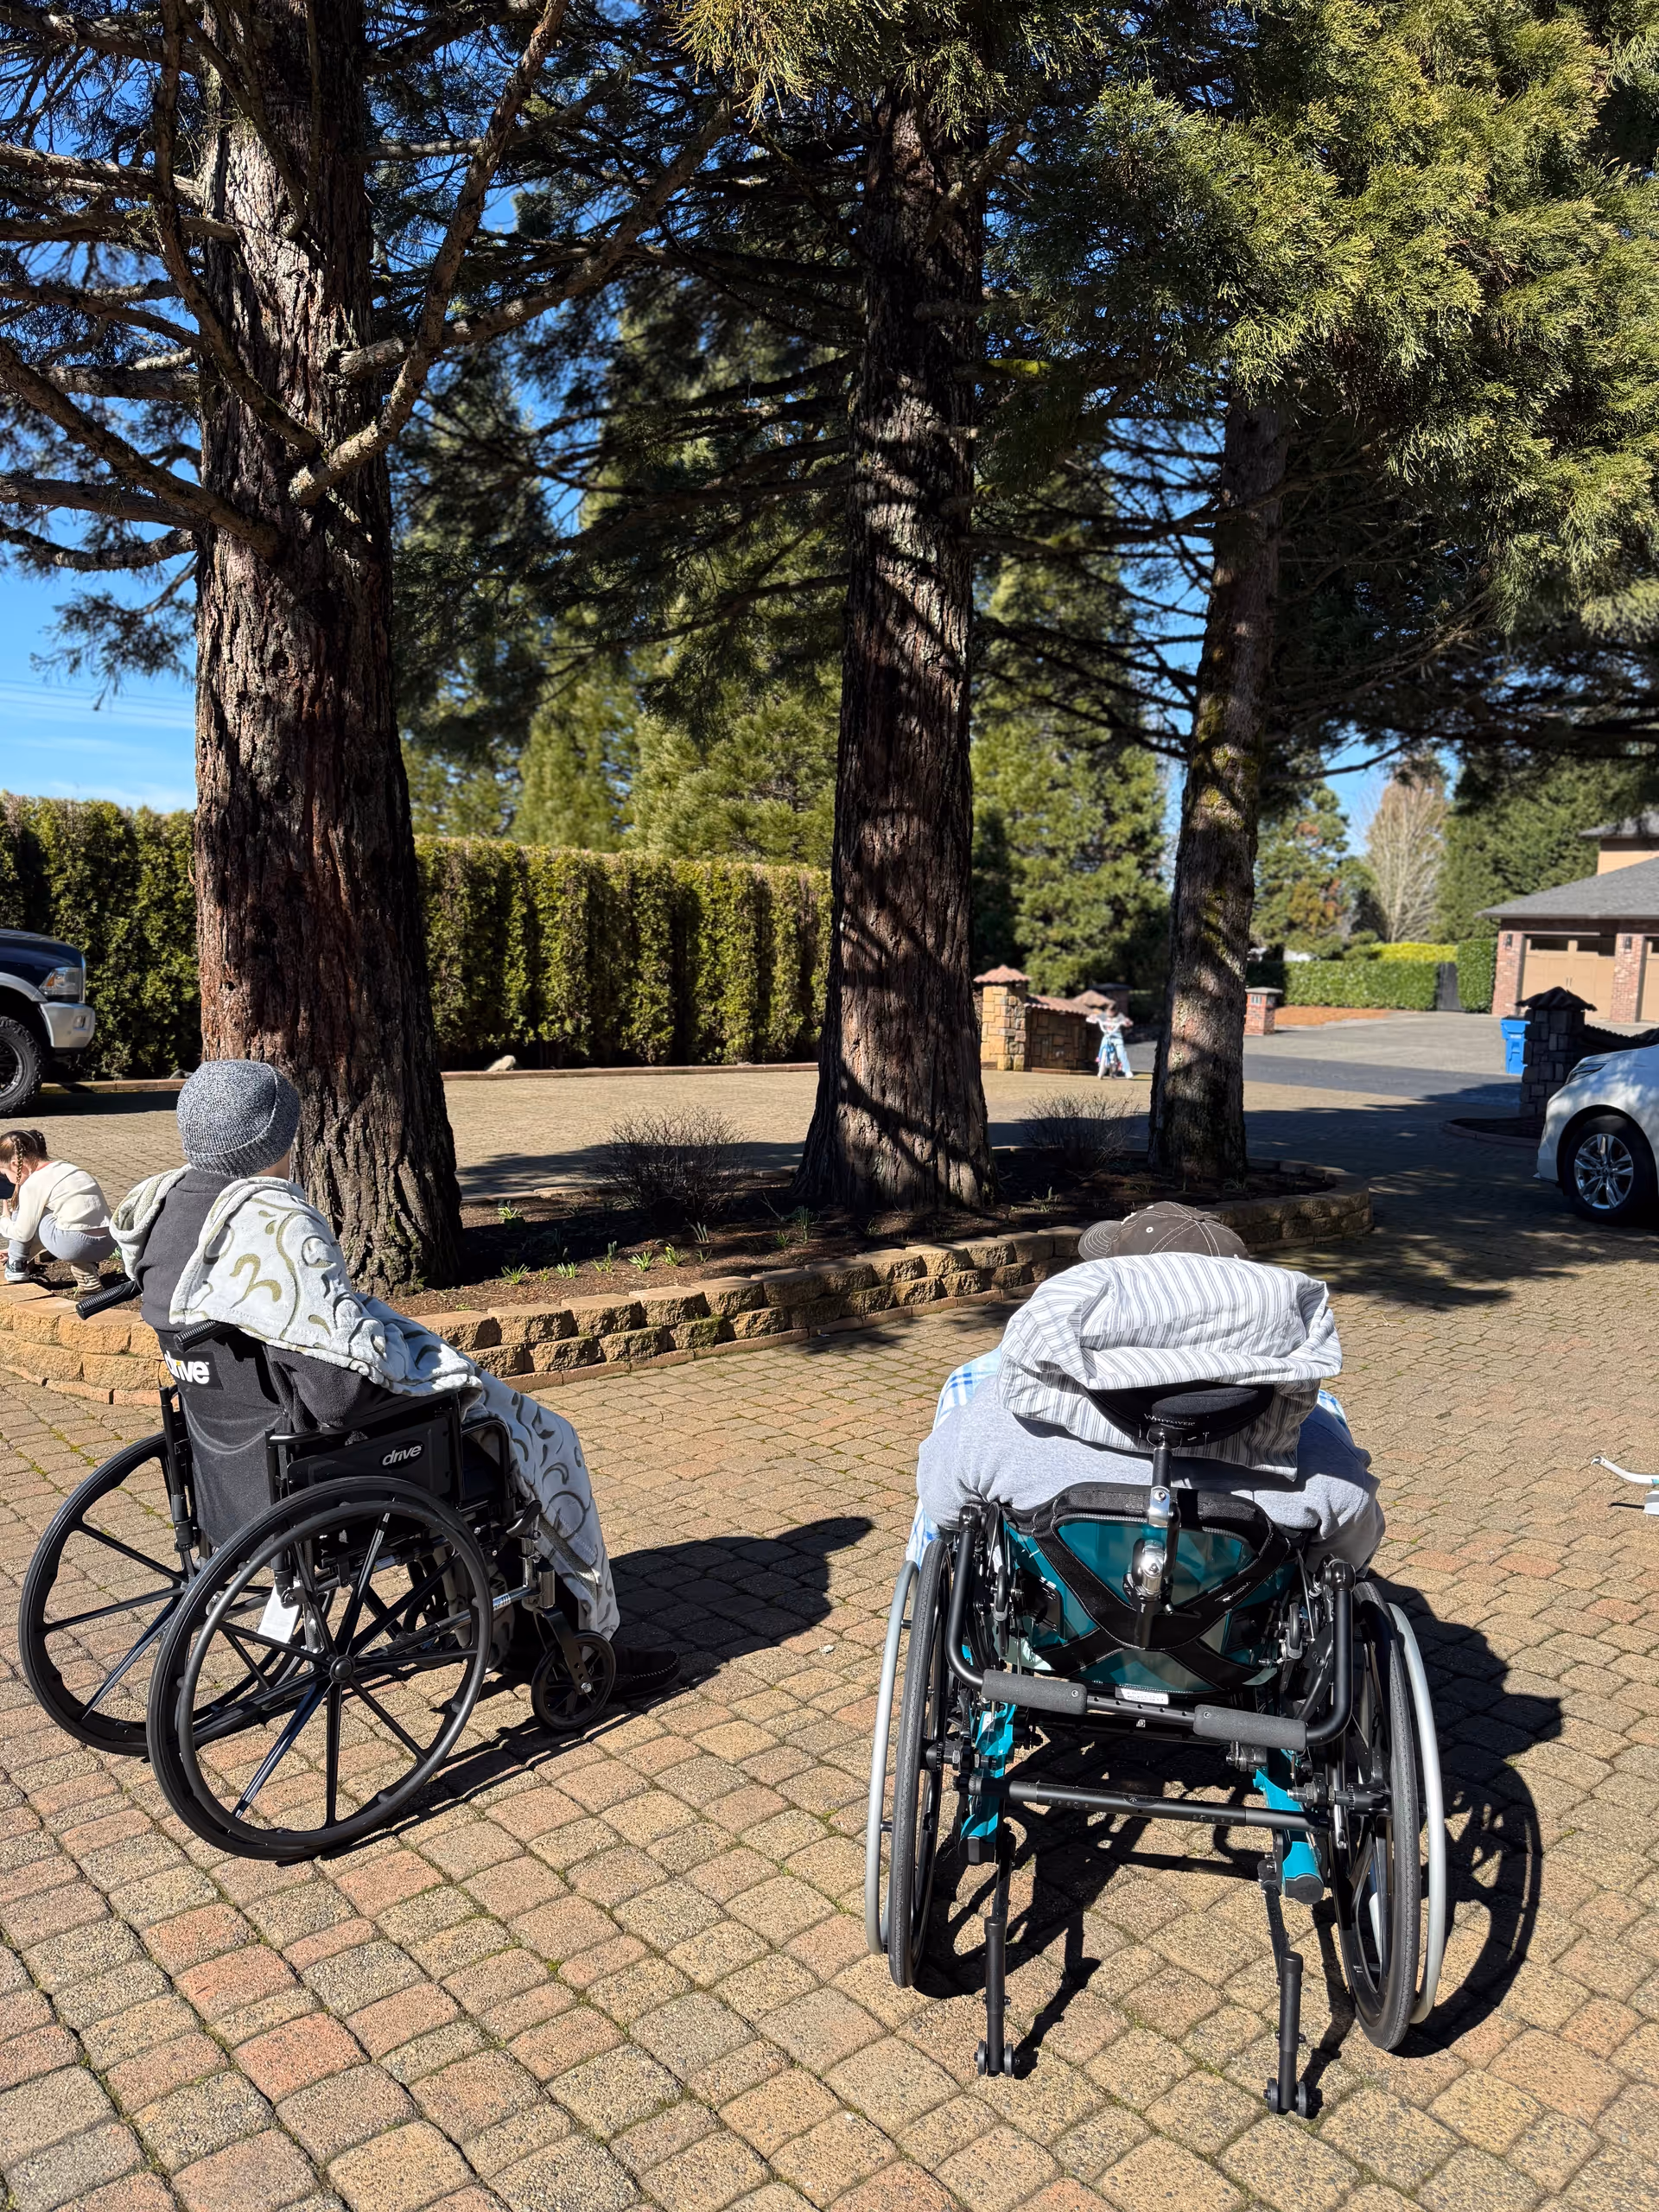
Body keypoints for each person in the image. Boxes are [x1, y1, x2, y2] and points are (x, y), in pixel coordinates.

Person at [111, 1059, 677, 1697]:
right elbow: (339, 1396)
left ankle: (479, 1614)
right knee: (539, 1436)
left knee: (452, 1418)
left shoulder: (162, 1210)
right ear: (280, 1136)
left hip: (230, 1472)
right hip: (324, 1472)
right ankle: (583, 1638)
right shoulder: (273, 1225)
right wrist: (411, 1364)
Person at [0, 1128, 117, 1291]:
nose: (7, 1179)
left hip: (74, 1245)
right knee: (56, 1218)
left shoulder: (33, 1184)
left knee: (22, 1213)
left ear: (15, 1164)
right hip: (107, 1243)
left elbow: (22, 1233)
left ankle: (16, 1267)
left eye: (4, 1173)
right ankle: (86, 1271)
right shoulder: (70, 1168)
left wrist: (4, 1221)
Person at [1090, 1005, 1132, 1078]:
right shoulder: (1103, 1015)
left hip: (1117, 1036)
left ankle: (1127, 1071)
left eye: (1113, 1010)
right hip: (1107, 1035)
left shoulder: (1119, 1016)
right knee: (1102, 1048)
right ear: (1106, 1010)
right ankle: (1101, 1066)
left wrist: (1127, 1022)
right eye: (1109, 1010)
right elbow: (1094, 1018)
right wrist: (1092, 1018)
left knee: (1121, 1053)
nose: (1110, 1012)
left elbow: (1126, 1021)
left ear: (1115, 1011)